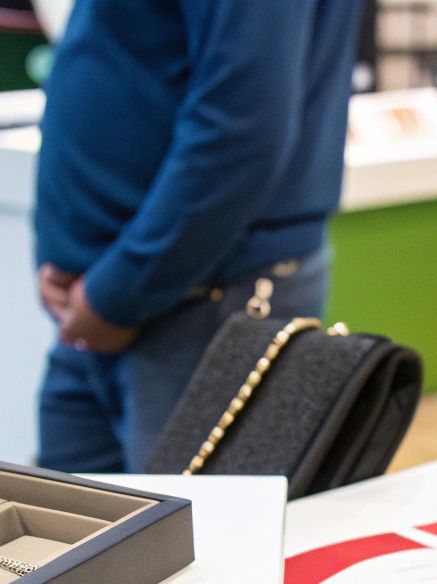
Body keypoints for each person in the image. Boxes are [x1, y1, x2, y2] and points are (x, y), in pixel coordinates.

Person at [32, 0, 364, 473]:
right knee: (76, 515)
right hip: (112, 299)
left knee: (199, 520)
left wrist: (117, 292)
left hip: (201, 295)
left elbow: (242, 123)